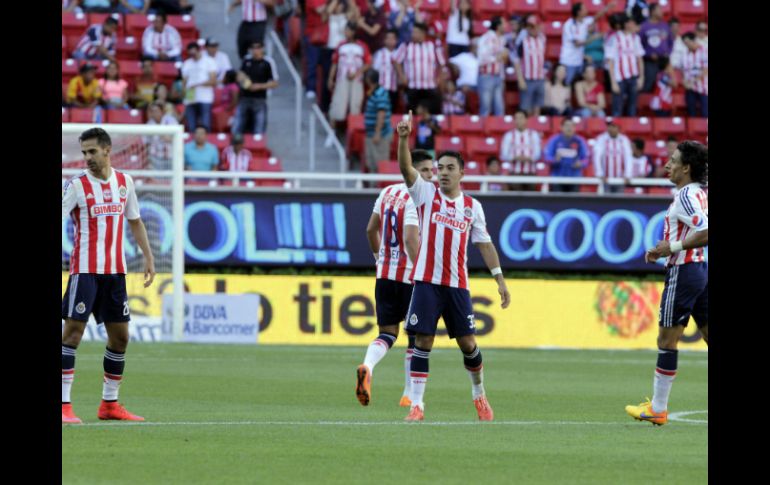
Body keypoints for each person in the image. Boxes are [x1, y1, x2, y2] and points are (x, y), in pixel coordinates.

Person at [395, 111, 511, 422]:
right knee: (423, 340)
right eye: (439, 168)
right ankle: (417, 405)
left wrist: (499, 279)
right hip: (426, 282)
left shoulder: (473, 207)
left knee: (468, 344)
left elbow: (484, 244)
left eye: (449, 168)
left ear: (461, 173)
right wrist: (404, 138)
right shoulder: (425, 194)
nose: (442, 173)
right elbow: (406, 168)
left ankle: (479, 395)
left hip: (458, 285)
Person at [61, 127, 156, 424]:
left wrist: (149, 257)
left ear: (107, 150)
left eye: (91, 151)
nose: (87, 157)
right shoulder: (76, 186)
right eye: (84, 152)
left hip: (115, 272)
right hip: (85, 271)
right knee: (73, 334)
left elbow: (136, 221)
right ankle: (64, 406)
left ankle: (109, 405)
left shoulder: (124, 182)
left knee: (121, 337)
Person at [626, 141, 708, 426]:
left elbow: (706, 230)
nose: (666, 165)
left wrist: (669, 247)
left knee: (666, 341)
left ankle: (658, 408)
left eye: (673, 161)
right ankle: (657, 407)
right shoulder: (699, 192)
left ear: (686, 168)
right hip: (700, 269)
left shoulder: (686, 195)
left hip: (684, 272)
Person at [356, 149, 435, 408]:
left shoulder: (387, 192)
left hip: (385, 275)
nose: (430, 175)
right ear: (411, 169)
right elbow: (412, 239)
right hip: (411, 277)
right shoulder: (416, 199)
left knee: (387, 334)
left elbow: (370, 229)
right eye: (424, 170)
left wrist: (378, 256)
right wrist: (422, 270)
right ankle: (409, 393)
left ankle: (368, 365)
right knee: (416, 337)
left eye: (432, 171)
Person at [559, 0, 617, 86]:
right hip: (569, 61)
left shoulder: (584, 22)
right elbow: (577, 44)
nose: (587, 10)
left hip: (579, 61)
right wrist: (594, 38)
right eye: (584, 8)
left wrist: (607, 7)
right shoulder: (569, 25)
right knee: (567, 84)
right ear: (579, 12)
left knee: (579, 85)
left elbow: (596, 17)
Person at [328, 22, 372, 134]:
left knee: (355, 106)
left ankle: (352, 134)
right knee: (337, 104)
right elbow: (334, 63)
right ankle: (332, 132)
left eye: (348, 30)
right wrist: (330, 78)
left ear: (353, 32)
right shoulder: (340, 45)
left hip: (357, 80)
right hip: (342, 79)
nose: (346, 32)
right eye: (345, 30)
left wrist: (357, 73)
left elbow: (368, 63)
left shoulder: (362, 46)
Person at [392, 22, 445, 114]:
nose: (413, 35)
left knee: (432, 112)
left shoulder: (433, 46)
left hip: (430, 86)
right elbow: (396, 61)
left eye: (416, 32)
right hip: (412, 86)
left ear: (422, 33)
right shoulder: (406, 46)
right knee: (412, 113)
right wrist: (402, 76)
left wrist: (439, 78)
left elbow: (441, 63)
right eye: (413, 32)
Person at [235, 42, 278, 135]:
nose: (255, 50)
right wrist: (246, 83)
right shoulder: (246, 60)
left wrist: (259, 86)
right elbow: (240, 75)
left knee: (259, 126)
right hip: (244, 97)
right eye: (253, 48)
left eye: (258, 48)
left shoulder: (268, 62)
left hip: (259, 99)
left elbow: (275, 83)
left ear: (262, 48)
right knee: (238, 124)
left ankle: (258, 145)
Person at [606, 14, 645, 116]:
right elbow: (610, 61)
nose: (633, 25)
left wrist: (641, 77)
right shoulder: (614, 38)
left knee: (632, 107)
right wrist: (613, 82)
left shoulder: (635, 38)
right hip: (619, 78)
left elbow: (639, 59)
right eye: (631, 22)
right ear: (626, 24)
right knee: (617, 108)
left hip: (633, 77)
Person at [543, 118, 589, 192]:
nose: (569, 128)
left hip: (574, 178)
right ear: (561, 127)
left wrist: (581, 163)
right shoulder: (554, 140)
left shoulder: (580, 141)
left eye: (571, 126)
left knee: (574, 202)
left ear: (575, 128)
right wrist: (554, 160)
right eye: (567, 126)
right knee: (557, 202)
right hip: (557, 178)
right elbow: (546, 157)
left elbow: (586, 158)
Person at [499, 110, 542, 189]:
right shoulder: (508, 135)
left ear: (526, 120)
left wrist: (529, 158)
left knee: (530, 198)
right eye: (516, 118)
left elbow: (538, 154)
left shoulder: (534, 135)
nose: (518, 121)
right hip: (514, 173)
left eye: (521, 118)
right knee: (516, 198)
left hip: (530, 173)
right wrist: (514, 158)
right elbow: (503, 155)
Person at [182, 42, 218, 132]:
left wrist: (197, 84)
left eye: (194, 53)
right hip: (190, 96)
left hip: (205, 97)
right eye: (191, 54)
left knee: (205, 125)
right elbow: (184, 82)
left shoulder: (209, 61)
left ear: (199, 51)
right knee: (191, 126)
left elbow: (213, 81)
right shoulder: (187, 63)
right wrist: (184, 92)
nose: (193, 56)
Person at [515, 15, 546, 116]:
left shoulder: (542, 39)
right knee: (526, 109)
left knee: (538, 107)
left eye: (533, 26)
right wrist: (520, 79)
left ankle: (536, 128)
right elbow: (517, 61)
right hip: (528, 78)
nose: (531, 29)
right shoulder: (523, 41)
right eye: (529, 26)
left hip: (540, 78)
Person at [476, 16, 508, 116]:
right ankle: (482, 131)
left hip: (498, 76)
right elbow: (481, 59)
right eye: (504, 24)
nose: (506, 26)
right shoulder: (486, 38)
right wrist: (497, 58)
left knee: (500, 108)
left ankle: (499, 130)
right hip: (486, 76)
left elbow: (502, 60)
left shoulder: (502, 39)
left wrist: (502, 77)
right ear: (498, 26)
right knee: (485, 108)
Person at [363, 69, 393, 174]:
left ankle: (381, 189)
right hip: (371, 135)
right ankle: (372, 188)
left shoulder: (380, 93)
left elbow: (381, 114)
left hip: (380, 136)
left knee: (380, 165)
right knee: (371, 164)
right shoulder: (374, 92)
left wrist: (377, 133)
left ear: (368, 79)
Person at [592, 120, 634, 193]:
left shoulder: (624, 140)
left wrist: (628, 174)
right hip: (605, 179)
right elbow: (597, 157)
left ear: (618, 128)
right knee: (606, 202)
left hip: (620, 179)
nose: (610, 128)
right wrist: (599, 173)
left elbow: (628, 158)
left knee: (619, 202)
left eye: (613, 126)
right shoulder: (601, 139)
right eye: (609, 126)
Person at [639, 3, 672, 93]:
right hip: (649, 62)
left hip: (663, 61)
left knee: (664, 86)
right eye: (659, 9)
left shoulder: (665, 26)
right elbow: (638, 46)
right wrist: (648, 54)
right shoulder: (644, 26)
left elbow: (670, 43)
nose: (662, 12)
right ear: (653, 12)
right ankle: (644, 105)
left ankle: (661, 106)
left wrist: (667, 53)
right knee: (648, 85)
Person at [676, 32, 707, 117]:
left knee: (705, 113)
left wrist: (693, 81)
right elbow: (682, 70)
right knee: (691, 113)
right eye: (685, 43)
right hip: (689, 88)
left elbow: (706, 70)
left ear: (693, 41)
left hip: (704, 88)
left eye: (688, 42)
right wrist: (684, 81)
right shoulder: (684, 54)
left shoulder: (704, 51)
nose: (687, 45)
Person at [372, 29, 401, 111]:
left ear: (396, 40)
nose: (390, 40)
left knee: (392, 111)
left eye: (393, 38)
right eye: (388, 38)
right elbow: (375, 70)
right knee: (380, 110)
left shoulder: (399, 54)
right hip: (381, 88)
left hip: (394, 89)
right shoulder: (379, 54)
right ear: (384, 40)